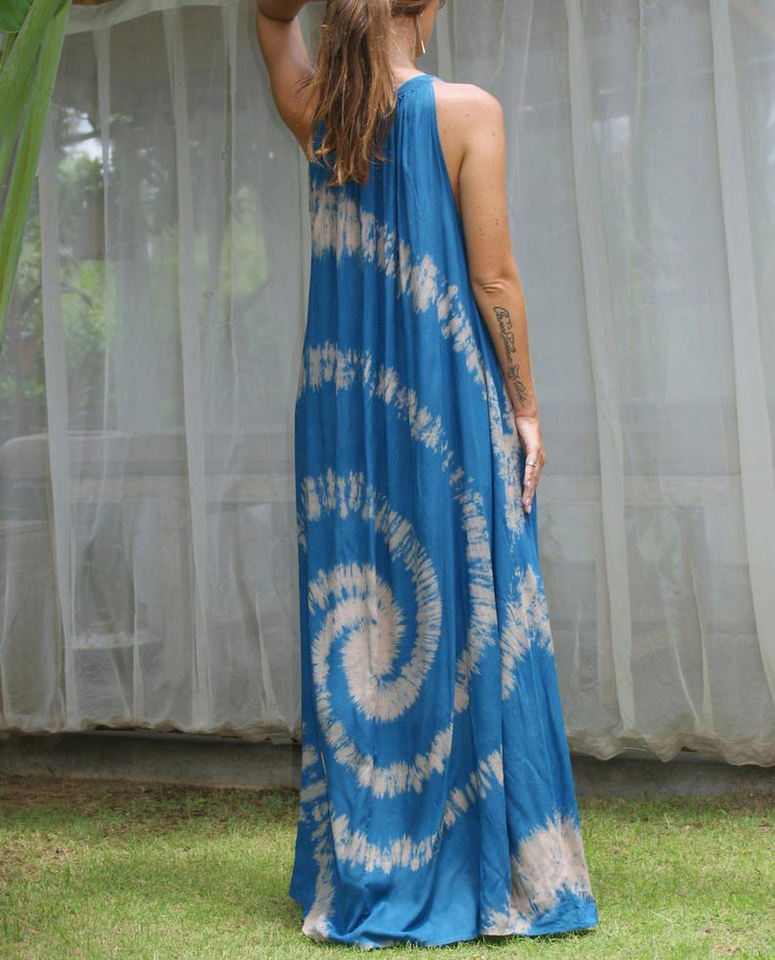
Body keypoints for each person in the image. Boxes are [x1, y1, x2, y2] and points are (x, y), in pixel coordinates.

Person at [256, 0, 600, 948]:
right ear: (428, 7)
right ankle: (485, 864)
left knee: (367, 623)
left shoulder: (320, 113)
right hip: (442, 405)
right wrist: (525, 408)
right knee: (472, 610)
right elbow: (493, 279)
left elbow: (274, 27)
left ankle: (375, 853)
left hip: (342, 420)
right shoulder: (465, 110)